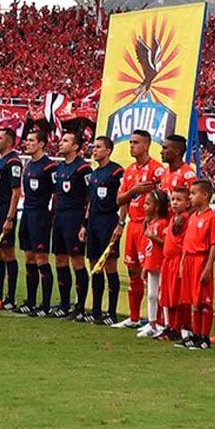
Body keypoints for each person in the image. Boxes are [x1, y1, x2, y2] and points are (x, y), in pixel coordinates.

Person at [117, 130, 165, 327]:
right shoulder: (129, 171)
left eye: (135, 143)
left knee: (151, 273)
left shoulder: (157, 170)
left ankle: (156, 320)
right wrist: (133, 191)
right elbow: (119, 200)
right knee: (132, 271)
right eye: (130, 143)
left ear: (146, 145)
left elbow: (164, 198)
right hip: (132, 225)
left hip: (148, 227)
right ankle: (134, 317)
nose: (131, 146)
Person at [13, 127, 56, 316]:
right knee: (28, 257)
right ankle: (30, 302)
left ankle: (45, 305)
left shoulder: (49, 166)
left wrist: (51, 215)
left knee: (41, 259)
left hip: (40, 215)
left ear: (41, 144)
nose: (27, 143)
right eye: (27, 140)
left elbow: (56, 193)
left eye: (31, 140)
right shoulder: (29, 164)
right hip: (27, 213)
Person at [51, 129, 91, 319]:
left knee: (77, 260)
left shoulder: (83, 169)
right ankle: (64, 304)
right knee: (59, 259)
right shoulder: (59, 169)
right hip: (59, 217)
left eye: (65, 140)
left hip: (74, 218)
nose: (61, 143)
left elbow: (90, 197)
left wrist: (85, 223)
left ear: (75, 146)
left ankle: (80, 307)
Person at [85, 135, 125, 325]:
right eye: (94, 147)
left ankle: (112, 312)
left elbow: (124, 199)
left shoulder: (116, 171)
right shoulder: (93, 174)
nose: (95, 150)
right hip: (93, 222)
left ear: (108, 150)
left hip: (108, 221)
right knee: (95, 266)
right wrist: (84, 225)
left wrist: (120, 223)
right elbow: (90, 201)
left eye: (98, 147)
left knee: (109, 265)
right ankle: (96, 311)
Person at [179, 179, 215, 349]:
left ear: (204, 196)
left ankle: (204, 337)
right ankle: (195, 334)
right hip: (189, 260)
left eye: (193, 194)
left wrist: (208, 266)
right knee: (192, 300)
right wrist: (182, 263)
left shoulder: (211, 217)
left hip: (200, 260)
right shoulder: (192, 217)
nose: (190, 197)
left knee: (203, 300)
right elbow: (186, 243)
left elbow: (214, 244)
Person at [0, 128, 23, 308]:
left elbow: (16, 192)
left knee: (8, 251)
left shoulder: (13, 162)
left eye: (0, 138)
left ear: (9, 142)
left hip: (5, 211)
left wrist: (9, 217)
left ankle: (10, 297)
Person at [155, 186, 191, 341]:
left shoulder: (185, 219)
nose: (174, 203)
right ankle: (170, 326)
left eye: (179, 200)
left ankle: (177, 327)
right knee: (168, 295)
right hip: (167, 261)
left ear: (188, 203)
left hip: (177, 261)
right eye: (173, 200)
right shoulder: (173, 219)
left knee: (177, 296)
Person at [137, 189, 170, 338]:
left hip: (162, 264)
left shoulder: (163, 223)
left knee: (163, 295)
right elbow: (147, 248)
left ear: (156, 207)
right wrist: (145, 266)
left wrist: (154, 238)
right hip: (151, 264)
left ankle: (166, 325)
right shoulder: (149, 223)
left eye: (147, 204)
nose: (144, 206)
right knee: (151, 295)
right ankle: (152, 324)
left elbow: (166, 245)